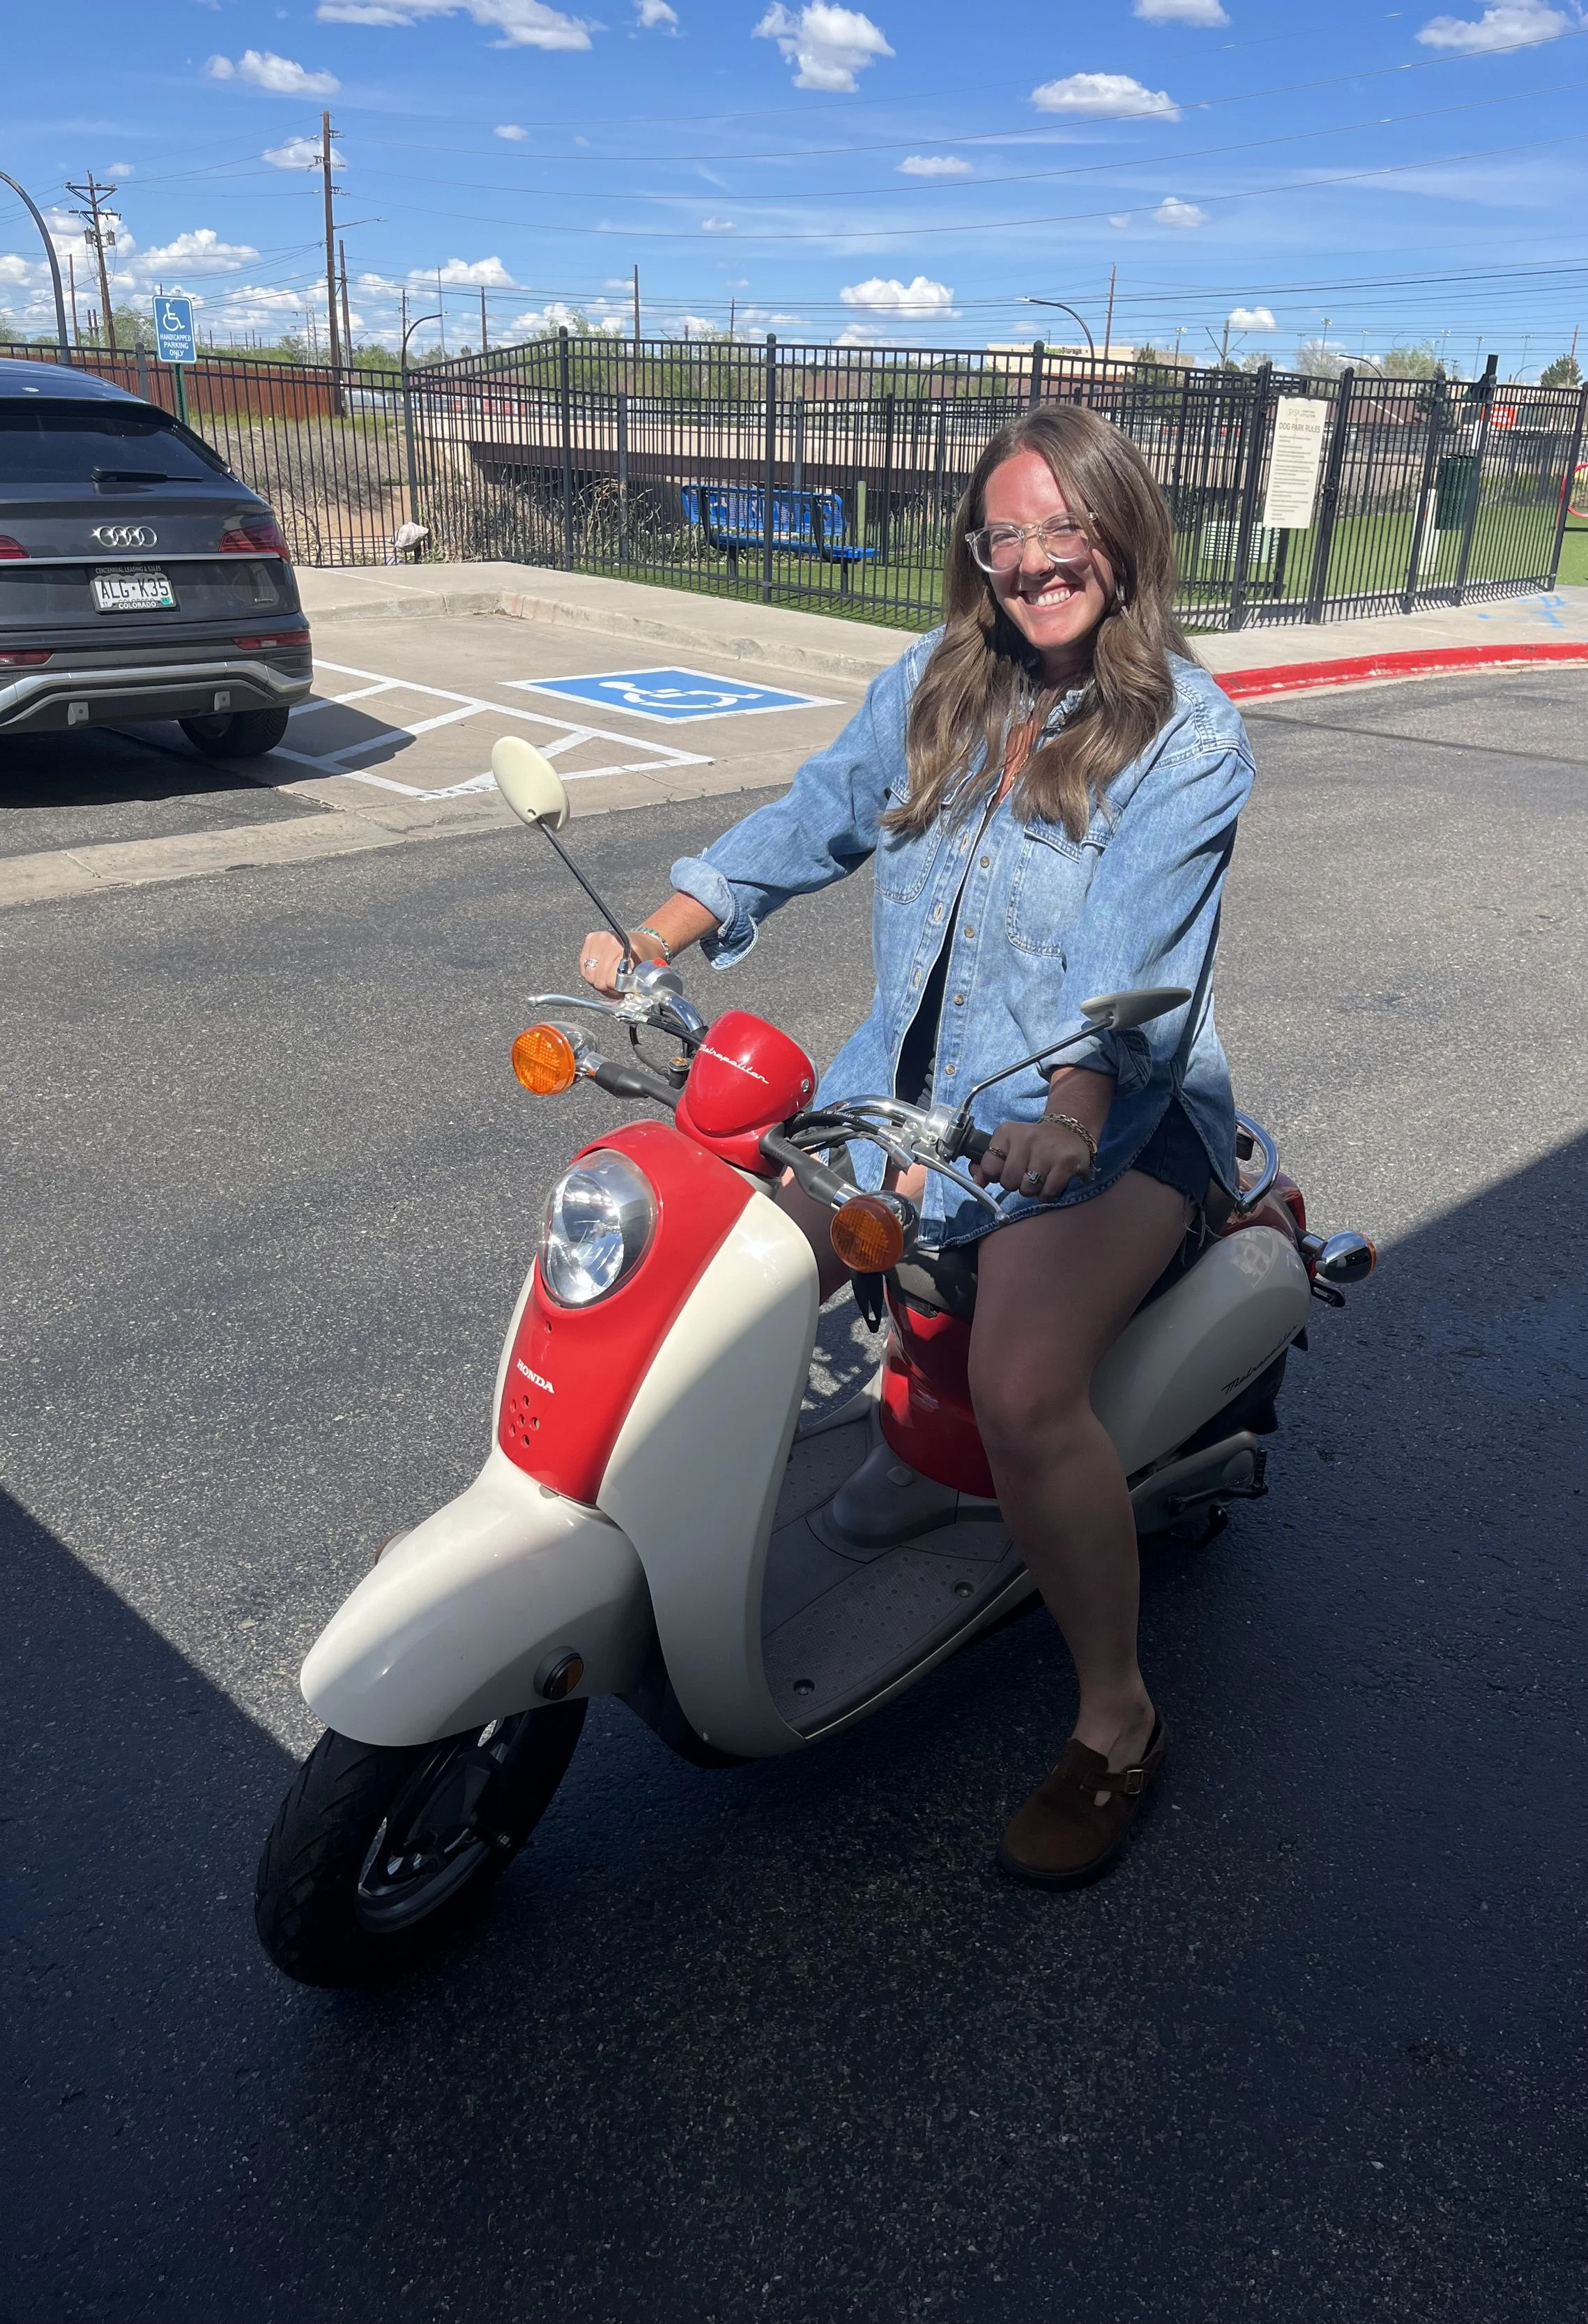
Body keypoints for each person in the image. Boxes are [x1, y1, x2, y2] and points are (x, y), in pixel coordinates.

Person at [577, 404, 1255, 1888]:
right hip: (908, 1088)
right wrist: (663, 928)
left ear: (1119, 532)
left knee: (1021, 1385)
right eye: (999, 534)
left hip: (1114, 1118)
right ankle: (866, 1455)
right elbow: (820, 813)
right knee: (721, 1262)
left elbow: (1136, 960)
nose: (1028, 561)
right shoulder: (935, 682)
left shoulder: (1186, 738)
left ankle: (1115, 1719)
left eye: (1056, 528)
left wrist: (1071, 1113)